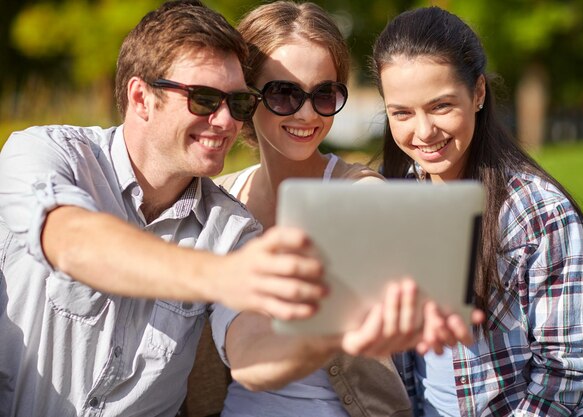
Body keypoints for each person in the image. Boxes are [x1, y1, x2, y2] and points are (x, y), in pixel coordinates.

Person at [0, 1, 334, 415]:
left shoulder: (230, 228)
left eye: (240, 103)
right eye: (205, 99)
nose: (227, 121)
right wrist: (221, 276)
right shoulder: (47, 154)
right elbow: (72, 242)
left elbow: (250, 352)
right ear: (141, 97)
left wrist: (331, 334)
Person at [183, 3, 479, 417]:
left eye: (324, 94)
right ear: (248, 96)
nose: (306, 113)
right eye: (284, 93)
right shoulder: (223, 195)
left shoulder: (359, 195)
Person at [371, 6, 583, 417]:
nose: (422, 132)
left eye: (440, 106)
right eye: (401, 112)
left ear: (478, 93)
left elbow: (563, 374)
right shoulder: (386, 194)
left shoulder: (538, 212)